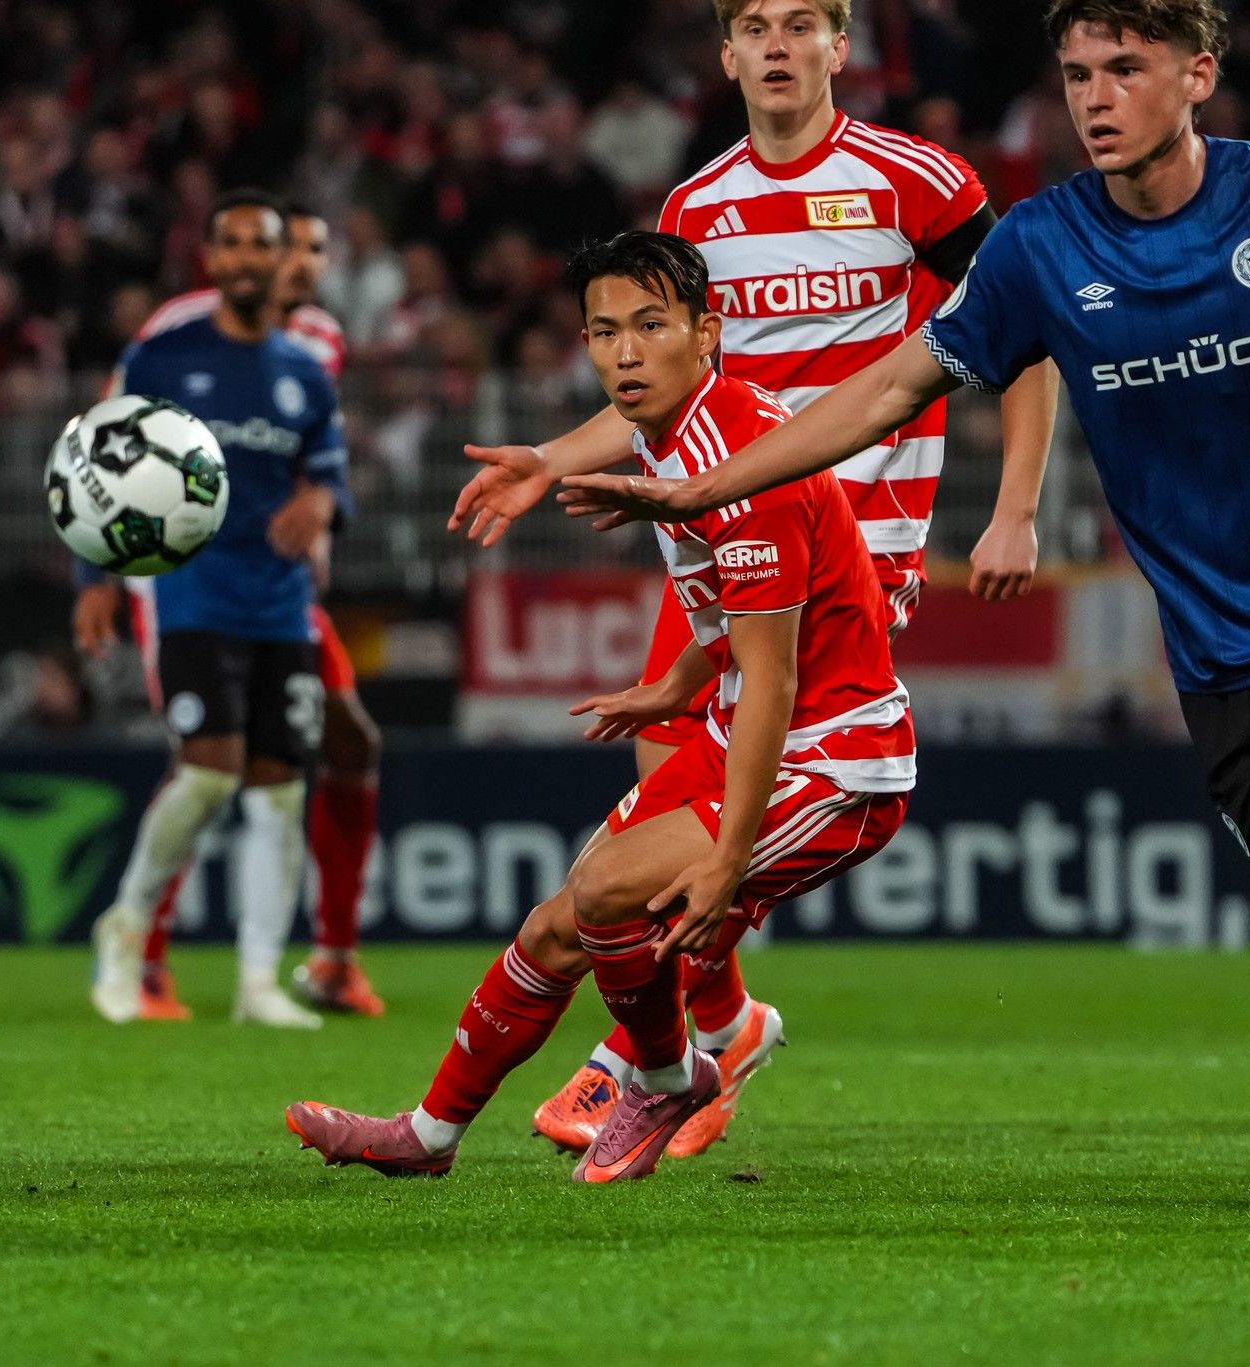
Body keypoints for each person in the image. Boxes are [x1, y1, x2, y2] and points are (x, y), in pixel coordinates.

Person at [561, 0, 1250, 1116]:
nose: (1096, 99)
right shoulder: (1040, 247)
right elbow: (888, 388)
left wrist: (1010, 506)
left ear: (1199, 75)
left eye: (1126, 69)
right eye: (1076, 75)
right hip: (1216, 629)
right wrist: (703, 486)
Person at [450, 0, 1059, 1158]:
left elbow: (1015, 330)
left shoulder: (916, 181)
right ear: (725, 54)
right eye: (756, 27)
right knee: (665, 776)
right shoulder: (696, 208)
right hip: (725, 533)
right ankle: (722, 1028)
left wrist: (1015, 505)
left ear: (840, 46)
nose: (778, 45)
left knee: (730, 802)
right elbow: (661, 386)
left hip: (855, 538)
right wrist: (550, 457)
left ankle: (647, 1054)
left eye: (802, 23)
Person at [286, 231, 913, 1181]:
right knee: (554, 926)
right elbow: (756, 625)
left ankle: (666, 1077)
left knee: (609, 892)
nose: (625, 352)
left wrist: (729, 861)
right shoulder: (674, 431)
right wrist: (680, 683)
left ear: (707, 333)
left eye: (650, 326)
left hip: (835, 763)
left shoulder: (747, 461)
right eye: (605, 331)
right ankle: (427, 1135)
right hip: (747, 726)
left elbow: (776, 681)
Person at [99, 204, 385, 1021]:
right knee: (206, 764)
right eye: (283, 245)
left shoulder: (318, 346)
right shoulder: (175, 333)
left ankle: (317, 964)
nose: (300, 262)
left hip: (282, 588)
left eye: (314, 249)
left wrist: (322, 508)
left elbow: (318, 464)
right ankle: (142, 952)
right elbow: (110, 443)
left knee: (333, 751)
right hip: (185, 578)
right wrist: (110, 570)